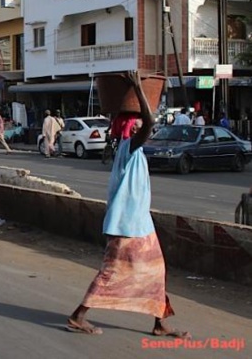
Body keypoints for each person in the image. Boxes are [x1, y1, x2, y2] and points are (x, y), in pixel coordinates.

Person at [66, 71, 189, 338]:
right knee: (111, 272)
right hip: (127, 226)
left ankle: (159, 323)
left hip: (138, 223)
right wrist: (137, 88)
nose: (142, 126)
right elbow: (150, 120)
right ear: (131, 128)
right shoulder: (130, 147)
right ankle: (78, 316)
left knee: (156, 271)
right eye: (137, 124)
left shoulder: (130, 149)